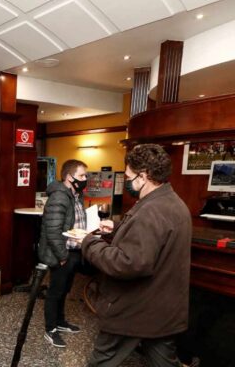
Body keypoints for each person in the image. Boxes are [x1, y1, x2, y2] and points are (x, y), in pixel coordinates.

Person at [81, 144, 191, 367]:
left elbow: (128, 263)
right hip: (163, 311)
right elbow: (151, 235)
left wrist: (88, 243)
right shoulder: (172, 202)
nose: (128, 182)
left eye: (130, 177)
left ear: (144, 176)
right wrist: (119, 227)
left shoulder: (152, 210)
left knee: (102, 360)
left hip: (134, 310)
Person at [38, 159, 88, 348]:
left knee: (65, 290)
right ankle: (50, 330)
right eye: (82, 175)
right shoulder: (59, 197)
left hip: (73, 250)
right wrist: (62, 256)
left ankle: (60, 322)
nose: (85, 179)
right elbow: (53, 230)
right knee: (55, 292)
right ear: (69, 177)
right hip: (61, 253)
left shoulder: (76, 195)